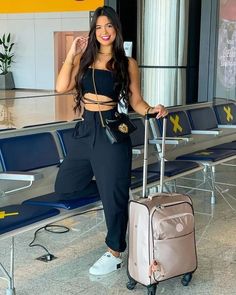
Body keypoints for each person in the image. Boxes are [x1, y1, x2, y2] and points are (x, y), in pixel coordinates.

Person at [55, 5, 168, 276]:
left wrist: (152, 110)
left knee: (113, 195)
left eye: (109, 26)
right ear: (93, 31)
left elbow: (136, 101)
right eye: (98, 27)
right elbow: (61, 87)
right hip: (85, 132)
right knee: (65, 187)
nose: (104, 32)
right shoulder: (84, 59)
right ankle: (113, 191)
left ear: (116, 29)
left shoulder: (126, 63)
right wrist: (72, 53)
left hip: (111, 134)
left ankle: (114, 251)